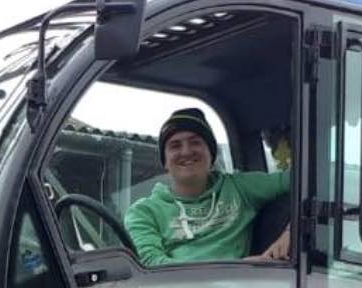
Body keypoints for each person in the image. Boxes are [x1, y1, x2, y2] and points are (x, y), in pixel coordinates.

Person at [123, 108, 291, 266]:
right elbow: (152, 266)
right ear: (165, 162)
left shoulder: (239, 187)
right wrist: (239, 268)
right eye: (175, 145)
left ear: (211, 154)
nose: (186, 152)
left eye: (195, 142)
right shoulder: (143, 213)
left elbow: (303, 181)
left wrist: (292, 231)